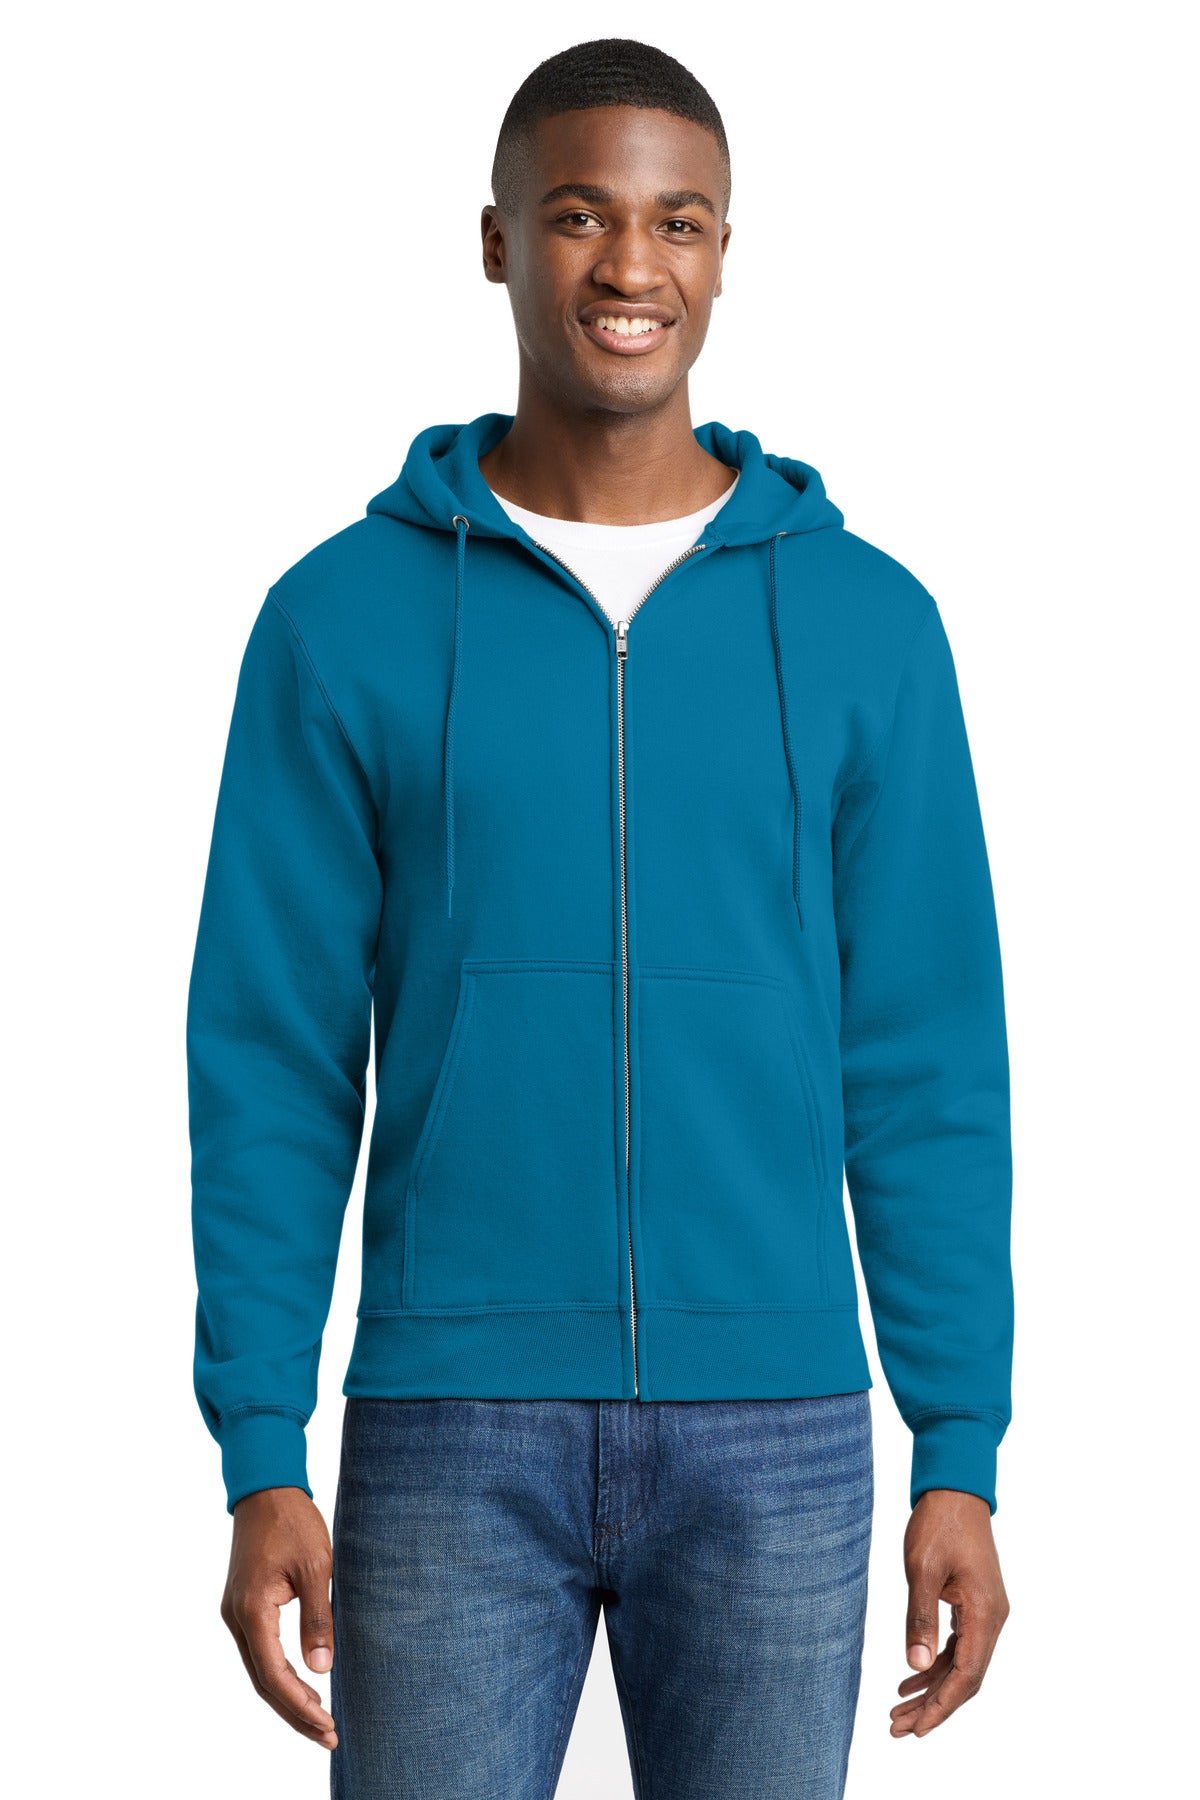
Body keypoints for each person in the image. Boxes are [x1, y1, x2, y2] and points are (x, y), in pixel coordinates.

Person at [187, 36, 1013, 1799]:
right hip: (448, 1427)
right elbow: (270, 1058)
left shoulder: (868, 626)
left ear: (723, 252)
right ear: (496, 239)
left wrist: (959, 1442)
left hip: (779, 1429)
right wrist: (261, 1443)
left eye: (676, 222)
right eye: (579, 215)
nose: (631, 265)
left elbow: (927, 1061)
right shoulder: (339, 620)